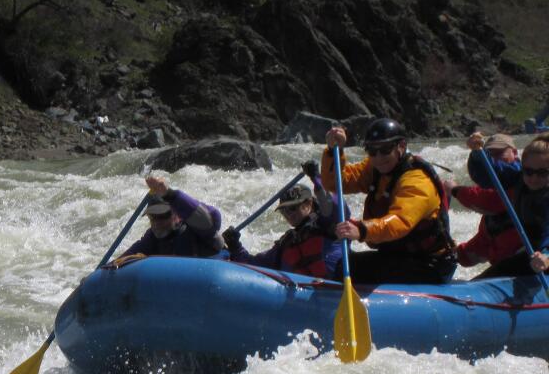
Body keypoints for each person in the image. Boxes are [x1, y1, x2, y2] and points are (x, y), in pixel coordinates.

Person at [322, 117, 456, 285]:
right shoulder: (375, 167)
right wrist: (333, 150)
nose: (378, 157)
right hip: (399, 255)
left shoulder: (417, 180)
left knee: (351, 268)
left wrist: (363, 230)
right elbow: (335, 183)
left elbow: (400, 221)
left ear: (401, 146)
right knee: (345, 264)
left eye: (385, 149)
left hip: (429, 264)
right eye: (372, 150)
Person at [447, 133, 549, 278]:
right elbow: (491, 172)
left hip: (542, 256)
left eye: (542, 173)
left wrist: (546, 256)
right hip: (528, 252)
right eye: (529, 172)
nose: (534, 178)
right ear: (523, 168)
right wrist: (478, 153)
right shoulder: (518, 176)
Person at [221, 166, 343, 279]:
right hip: (302, 294)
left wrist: (316, 178)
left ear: (308, 204)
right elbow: (255, 265)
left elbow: (333, 204)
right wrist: (235, 246)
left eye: (292, 208)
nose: (288, 214)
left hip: (335, 289)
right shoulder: (286, 242)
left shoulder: (327, 224)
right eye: (284, 211)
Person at [118, 175, 224, 259]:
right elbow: (123, 260)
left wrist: (169, 194)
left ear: (177, 215)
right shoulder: (151, 238)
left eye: (163, 216)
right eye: (152, 217)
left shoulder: (196, 230)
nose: (157, 222)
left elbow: (213, 217)